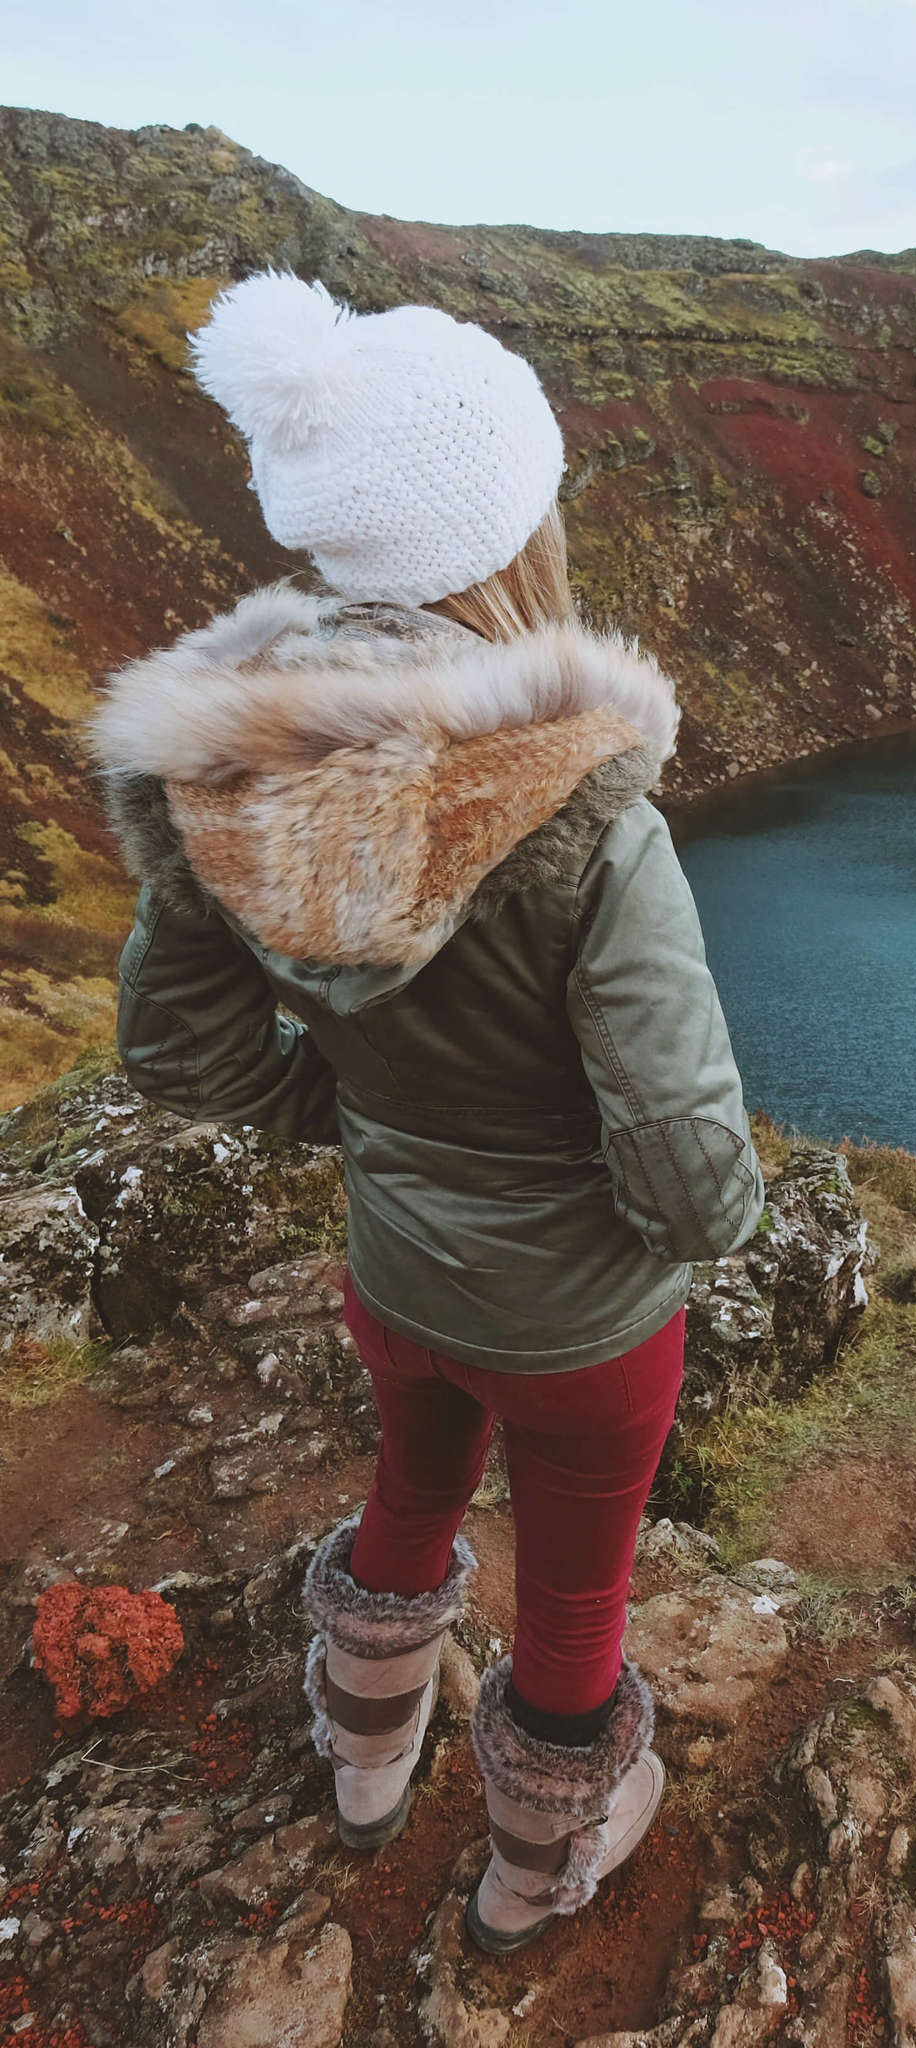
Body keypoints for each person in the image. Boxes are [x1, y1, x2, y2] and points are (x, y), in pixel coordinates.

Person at [91, 272, 765, 1954]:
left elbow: (175, 1043)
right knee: (578, 1591)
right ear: (509, 522)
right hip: (587, 1326)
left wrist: (349, 1119)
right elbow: (687, 1164)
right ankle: (538, 1864)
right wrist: (707, 1239)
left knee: (408, 1497)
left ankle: (365, 1749)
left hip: (396, 1278)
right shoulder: (591, 814)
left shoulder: (233, 765)